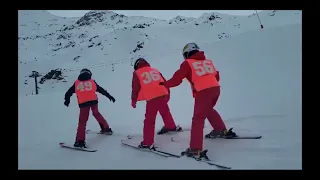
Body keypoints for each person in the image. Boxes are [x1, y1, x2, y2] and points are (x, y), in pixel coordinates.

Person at [159, 43, 236, 157]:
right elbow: (216, 76)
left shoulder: (187, 63)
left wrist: (165, 84)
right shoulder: (207, 62)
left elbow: (177, 79)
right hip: (215, 89)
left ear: (187, 53)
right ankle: (220, 129)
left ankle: (195, 149)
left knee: (198, 119)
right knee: (208, 110)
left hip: (203, 91)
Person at [131, 58, 182, 149]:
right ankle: (170, 126)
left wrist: (133, 100)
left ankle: (147, 142)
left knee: (149, 120)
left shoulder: (137, 73)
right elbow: (164, 82)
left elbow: (135, 88)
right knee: (165, 111)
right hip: (162, 93)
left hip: (152, 97)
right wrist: (167, 93)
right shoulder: (155, 70)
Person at [64, 68, 116, 148]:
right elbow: (101, 90)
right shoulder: (92, 81)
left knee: (82, 121)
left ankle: (80, 141)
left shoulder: (77, 83)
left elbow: (68, 93)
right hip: (94, 101)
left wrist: (67, 100)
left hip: (84, 103)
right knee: (96, 113)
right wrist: (109, 96)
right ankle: (106, 128)